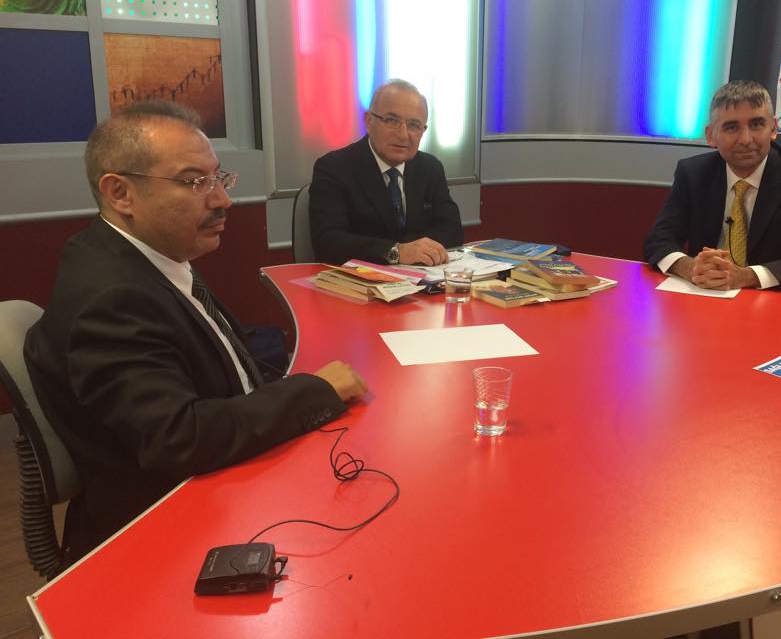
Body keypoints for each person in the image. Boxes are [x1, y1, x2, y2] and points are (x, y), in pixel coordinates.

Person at [24, 101, 368, 561]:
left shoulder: (149, 254)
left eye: (218, 177)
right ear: (120, 193)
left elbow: (227, 365)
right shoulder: (111, 299)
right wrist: (315, 391)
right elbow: (179, 439)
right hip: (169, 528)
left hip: (217, 479)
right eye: (194, 182)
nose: (223, 200)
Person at [643, 80, 781, 290]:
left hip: (771, 301)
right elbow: (658, 241)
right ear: (711, 136)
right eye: (731, 127)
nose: (745, 139)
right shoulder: (693, 173)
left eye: (756, 125)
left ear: (773, 128)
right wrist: (691, 268)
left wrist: (747, 276)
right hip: (703, 295)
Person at [309, 79, 463, 266]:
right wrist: (396, 252)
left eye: (414, 125)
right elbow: (328, 242)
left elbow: (453, 232)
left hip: (422, 278)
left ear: (423, 131)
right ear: (368, 121)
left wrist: (413, 251)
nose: (403, 134)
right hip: (359, 279)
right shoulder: (334, 168)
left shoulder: (430, 168)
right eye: (392, 121)